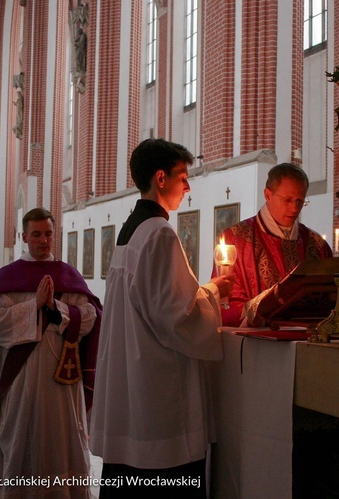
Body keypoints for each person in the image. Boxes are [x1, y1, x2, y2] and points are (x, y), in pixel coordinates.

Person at [90, 138, 235, 498]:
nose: (187, 186)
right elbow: (176, 317)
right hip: (156, 388)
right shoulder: (159, 234)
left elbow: (154, 301)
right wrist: (215, 291)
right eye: (182, 176)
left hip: (134, 376)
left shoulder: (130, 230)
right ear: (160, 179)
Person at [0, 208, 101, 498]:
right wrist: (34, 306)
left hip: (63, 377)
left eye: (49, 234)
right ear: (24, 236)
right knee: (21, 434)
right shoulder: (9, 276)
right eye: (37, 234)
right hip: (22, 377)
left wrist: (56, 310)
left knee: (64, 437)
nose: (44, 240)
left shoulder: (68, 275)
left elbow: (90, 317)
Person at [216, 162, 333, 327]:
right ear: (268, 195)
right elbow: (224, 302)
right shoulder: (236, 240)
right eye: (287, 200)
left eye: (300, 201)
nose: (295, 208)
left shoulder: (316, 244)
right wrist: (258, 311)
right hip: (256, 343)